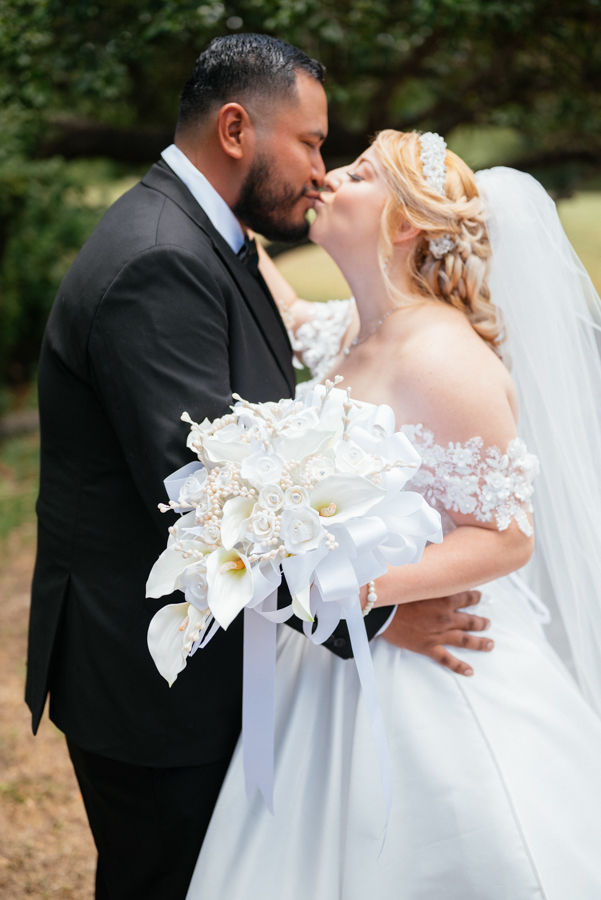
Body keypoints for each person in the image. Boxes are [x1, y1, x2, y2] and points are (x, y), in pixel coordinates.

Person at [25, 38, 489, 900]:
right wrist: (373, 622)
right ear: (236, 128)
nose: (321, 171)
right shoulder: (159, 258)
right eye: (312, 143)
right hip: (155, 688)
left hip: (220, 662)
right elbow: (210, 500)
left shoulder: (209, 236)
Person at [186, 132, 601, 898]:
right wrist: (223, 198)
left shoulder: (441, 357)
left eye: (358, 171)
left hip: (434, 666)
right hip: (330, 663)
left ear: (405, 223)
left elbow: (505, 536)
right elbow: (287, 308)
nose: (328, 177)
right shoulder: (353, 332)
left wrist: (349, 592)